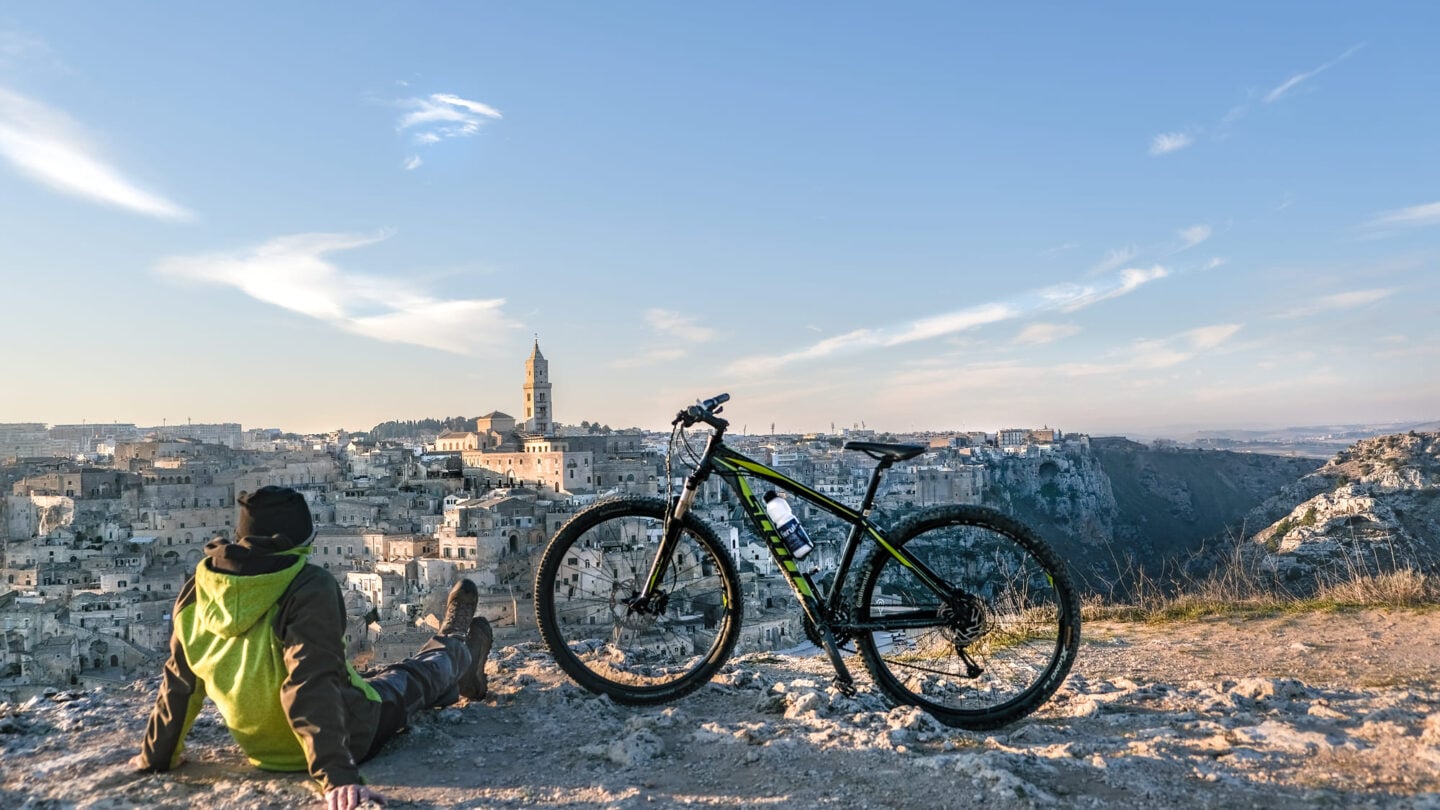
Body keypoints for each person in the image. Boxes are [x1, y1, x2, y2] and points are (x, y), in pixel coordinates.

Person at [132, 485, 493, 809]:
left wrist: (157, 755)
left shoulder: (200, 588)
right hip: (349, 733)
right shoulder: (307, 585)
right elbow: (310, 683)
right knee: (414, 678)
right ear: (302, 540)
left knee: (374, 676)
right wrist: (337, 776)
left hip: (262, 750)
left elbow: (180, 684)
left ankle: (460, 671)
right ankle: (457, 642)